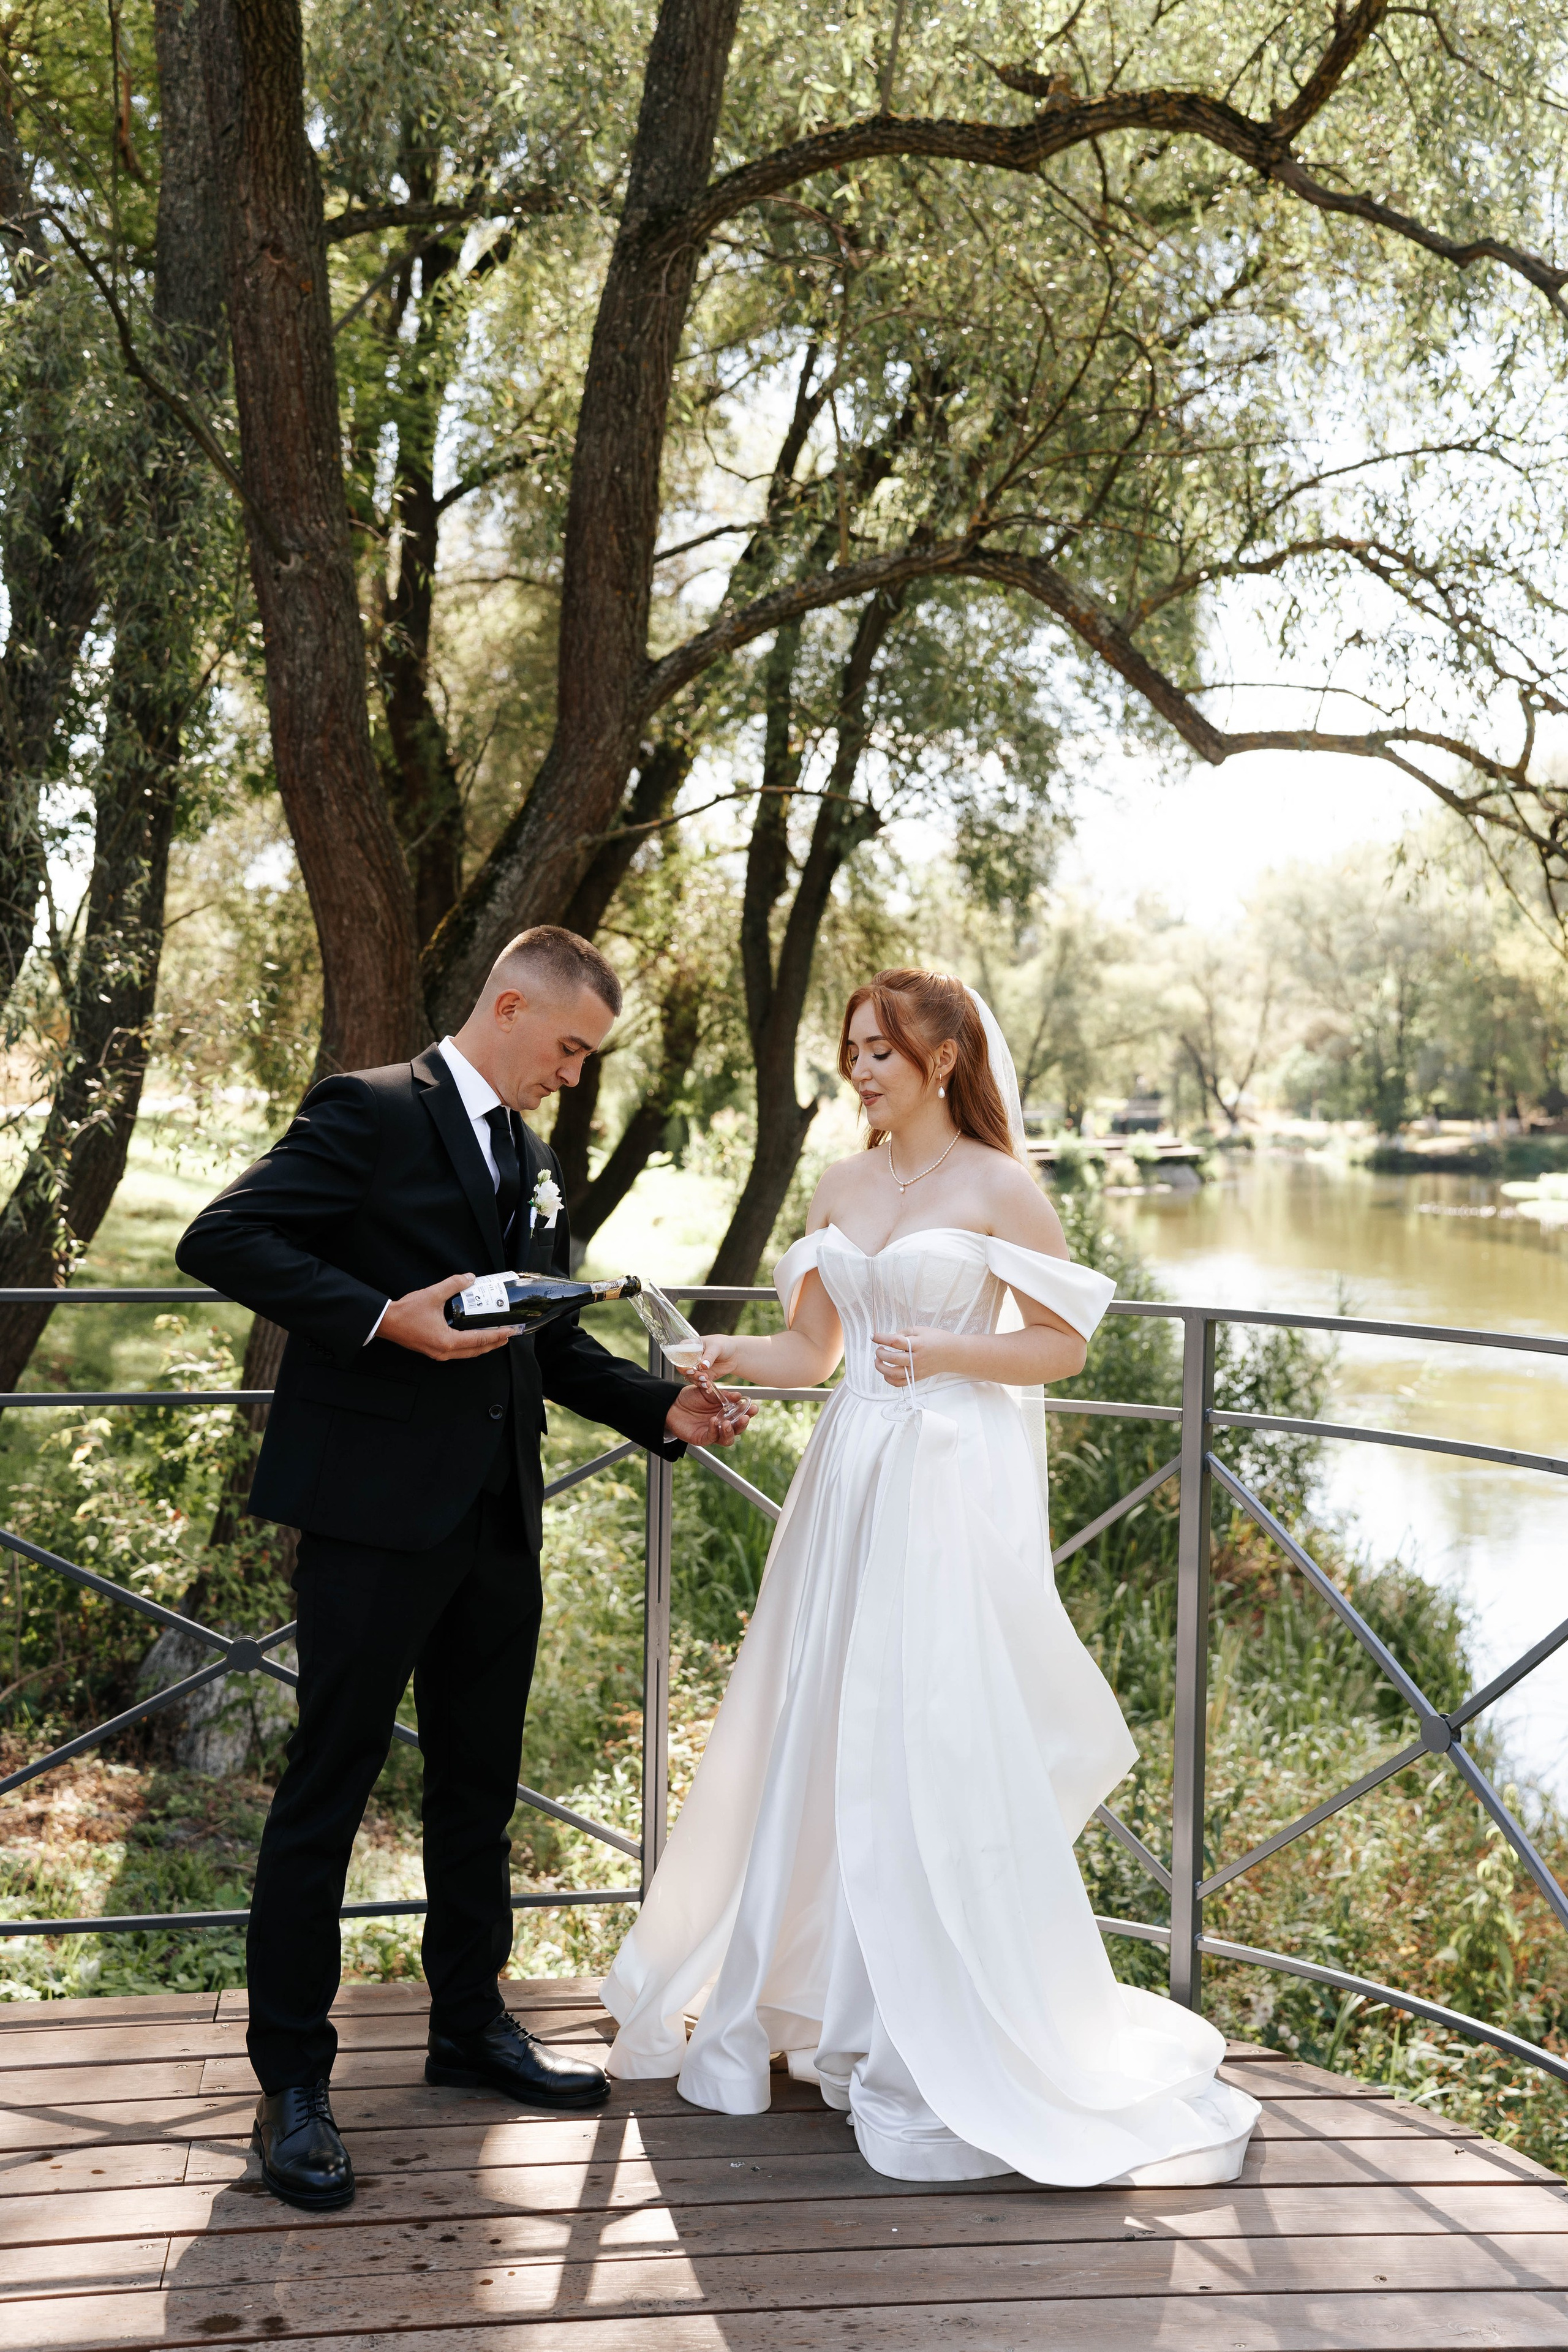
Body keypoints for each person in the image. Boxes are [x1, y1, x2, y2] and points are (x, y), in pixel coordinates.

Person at [601, 969, 1259, 2187]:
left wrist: (949, 1349)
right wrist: (726, 1351)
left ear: (942, 1059)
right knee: (820, 1717)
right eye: (851, 1049)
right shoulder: (839, 1183)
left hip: (946, 1478)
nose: (860, 1070)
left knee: (926, 1727)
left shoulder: (999, 1185)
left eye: (882, 1051)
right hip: (850, 1475)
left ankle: (919, 2018)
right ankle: (807, 1991)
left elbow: (1063, 1344)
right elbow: (815, 1351)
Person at [176, 925, 753, 2214]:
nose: (573, 1074)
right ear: (507, 1007)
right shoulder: (371, 1109)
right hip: (370, 1515)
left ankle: (468, 2024)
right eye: (568, 1048)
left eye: (587, 1057)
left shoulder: (530, 1160)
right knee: (327, 1790)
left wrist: (660, 1407)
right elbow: (222, 1239)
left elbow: (538, 1333)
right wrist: (384, 1320)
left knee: (478, 1789)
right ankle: (292, 2083)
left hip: (496, 1517)